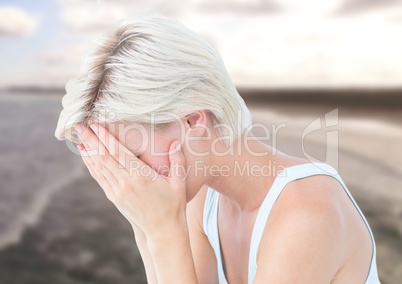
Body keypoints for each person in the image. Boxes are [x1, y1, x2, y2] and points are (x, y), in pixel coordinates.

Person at [55, 15, 381, 283]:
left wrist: (163, 230)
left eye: (133, 155)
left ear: (193, 122)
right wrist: (141, 221)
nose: (131, 178)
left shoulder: (307, 214)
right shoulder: (203, 198)